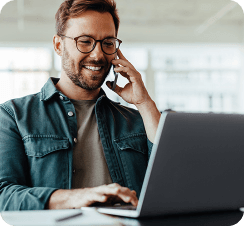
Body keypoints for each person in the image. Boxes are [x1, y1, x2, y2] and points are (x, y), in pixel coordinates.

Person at [0, 0, 161, 210]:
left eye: (108, 43)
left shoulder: (138, 120)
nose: (97, 54)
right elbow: (4, 194)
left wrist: (144, 103)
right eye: (85, 41)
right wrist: (77, 197)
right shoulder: (13, 116)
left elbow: (174, 179)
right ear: (58, 45)